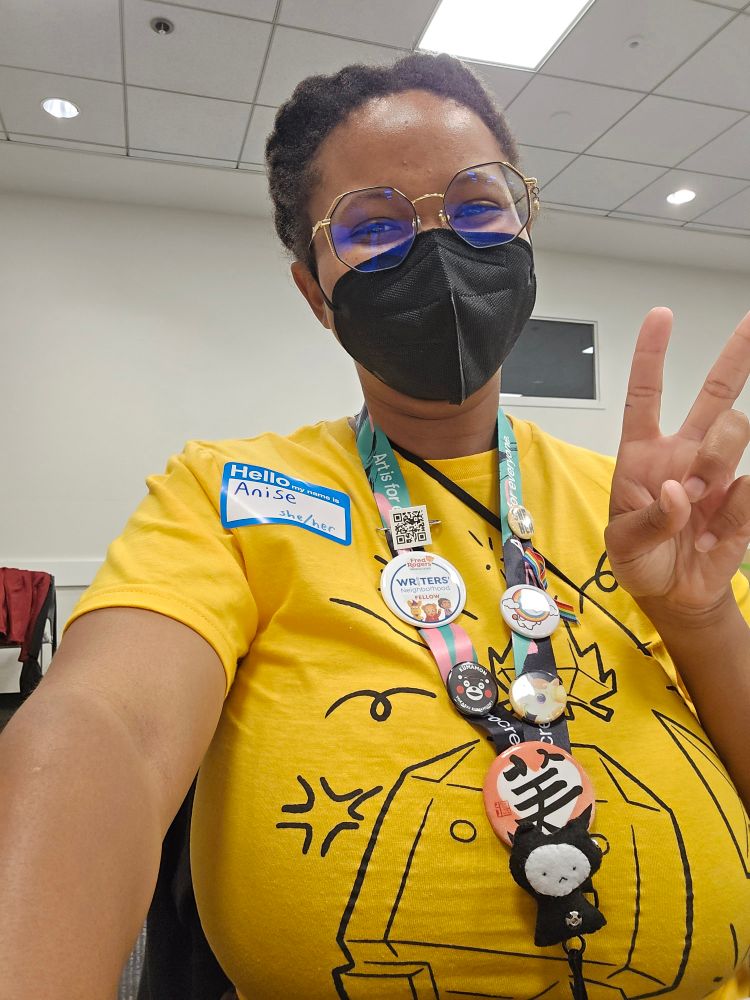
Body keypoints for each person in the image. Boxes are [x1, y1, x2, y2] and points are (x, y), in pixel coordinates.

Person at [2, 52, 749, 1000]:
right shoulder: (231, 492)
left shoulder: (641, 514)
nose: (438, 247)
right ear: (317, 293)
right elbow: (110, 726)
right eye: (375, 225)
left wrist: (701, 618)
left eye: (478, 205)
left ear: (525, 233)